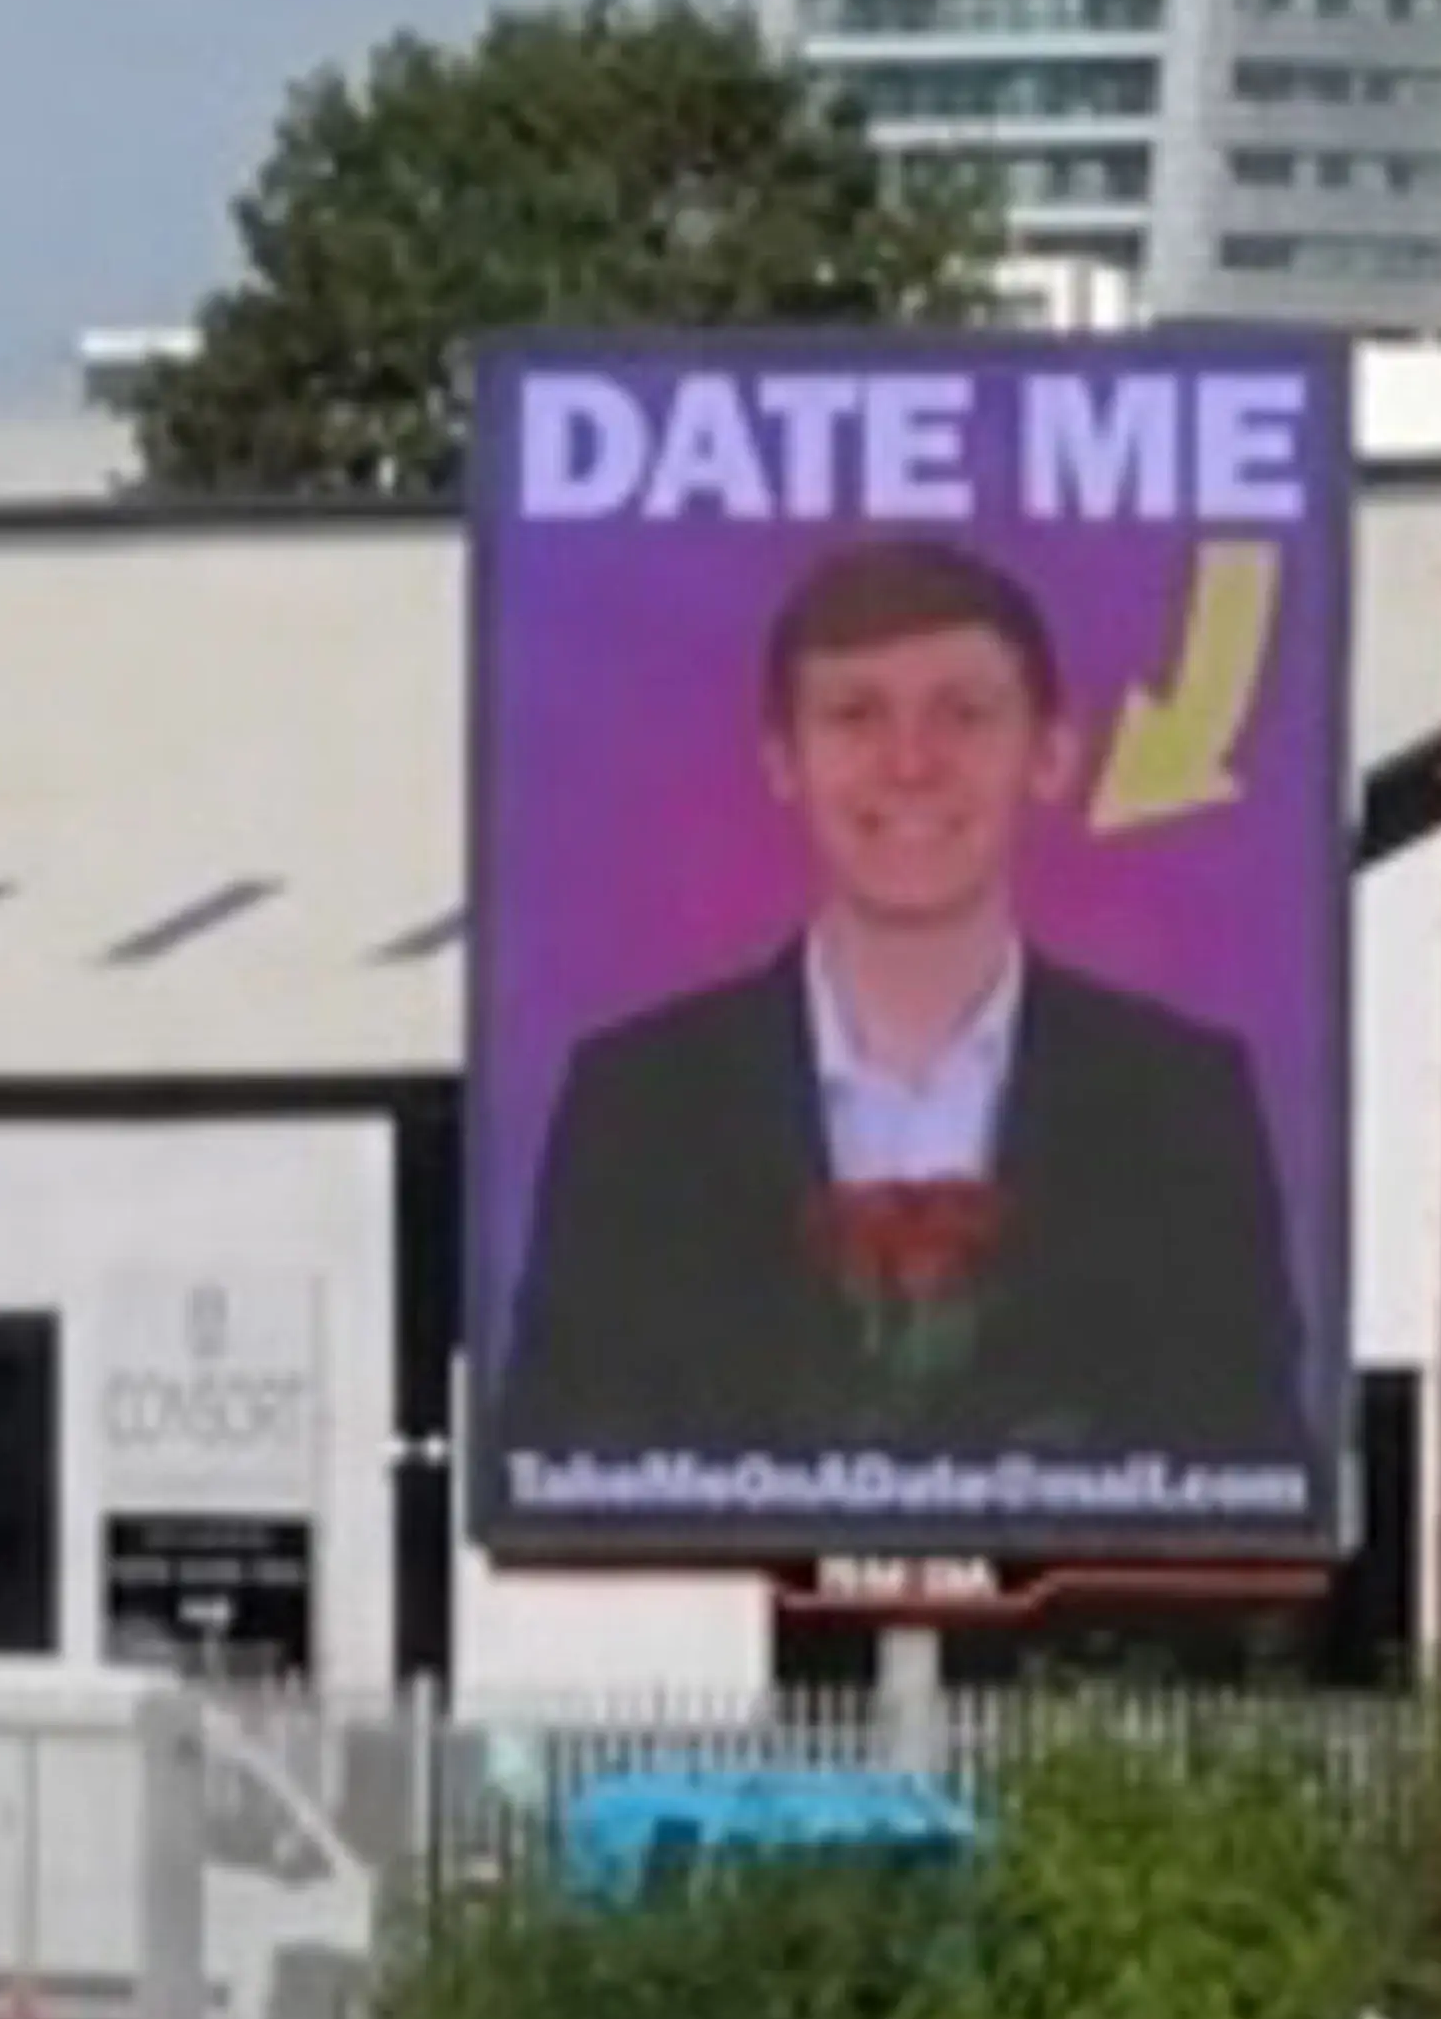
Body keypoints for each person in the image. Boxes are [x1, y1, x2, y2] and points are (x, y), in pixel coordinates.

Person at [490, 536, 1308, 1473]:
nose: (910, 763)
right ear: (781, 760)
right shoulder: (638, 1103)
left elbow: (1242, 1451)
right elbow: (566, 1450)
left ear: (1049, 753)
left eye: (963, 713)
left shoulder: (1180, 1102)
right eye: (854, 715)